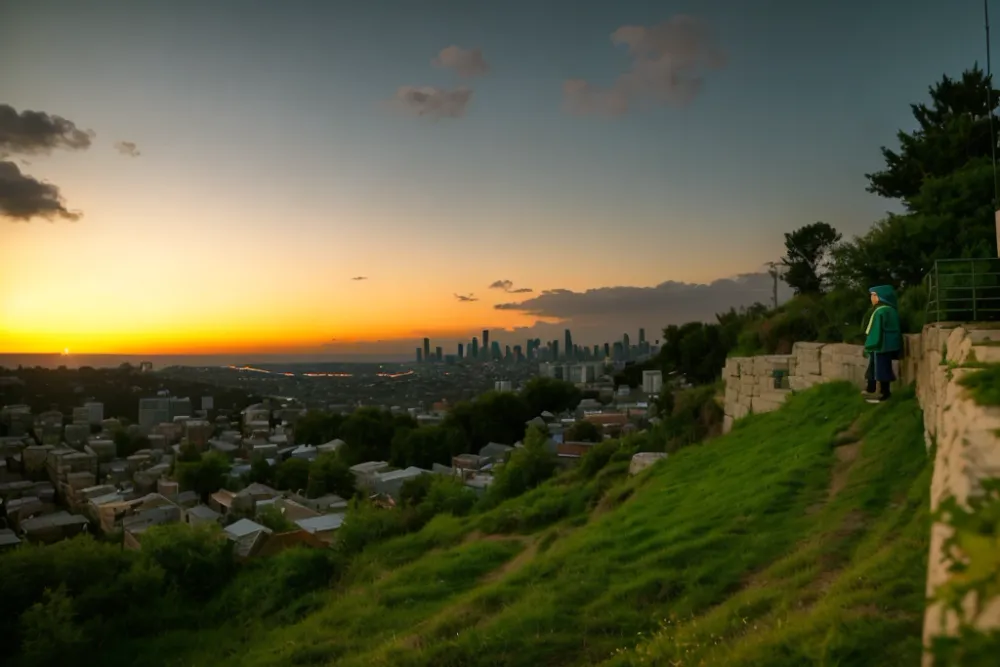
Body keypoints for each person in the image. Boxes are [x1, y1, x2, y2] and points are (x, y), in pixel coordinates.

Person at [863, 284, 903, 403]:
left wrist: (869, 345)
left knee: (880, 369)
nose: (872, 298)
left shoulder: (879, 311)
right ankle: (875, 389)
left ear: (880, 297)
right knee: (881, 367)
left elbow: (874, 330)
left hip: (880, 345)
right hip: (889, 345)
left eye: (874, 295)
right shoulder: (892, 310)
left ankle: (884, 393)